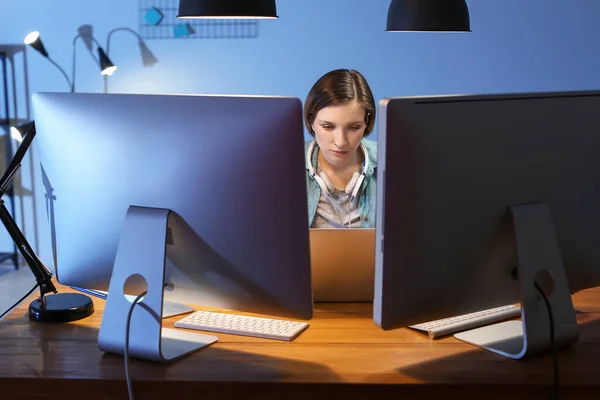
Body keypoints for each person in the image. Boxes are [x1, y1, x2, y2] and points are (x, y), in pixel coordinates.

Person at [304, 69, 377, 228]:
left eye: (354, 127)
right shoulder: (284, 164)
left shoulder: (392, 161)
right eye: (328, 127)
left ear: (367, 122)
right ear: (311, 121)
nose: (341, 142)